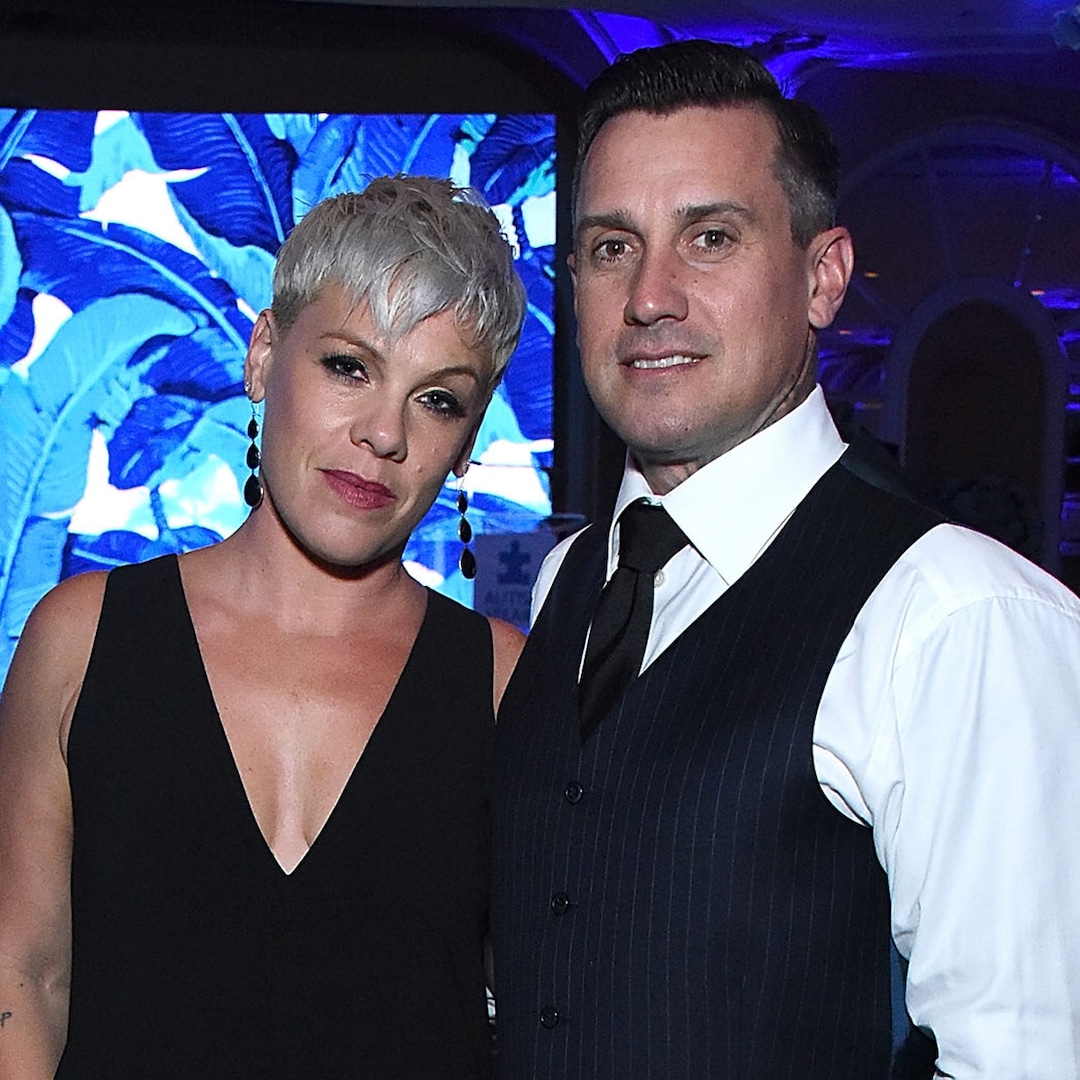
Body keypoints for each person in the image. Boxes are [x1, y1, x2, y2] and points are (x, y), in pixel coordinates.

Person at [491, 40, 1080, 1080]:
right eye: (612, 247)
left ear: (822, 277)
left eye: (710, 238)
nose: (651, 296)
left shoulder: (954, 613)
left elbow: (1019, 1059)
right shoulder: (569, 577)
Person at [0, 175, 526, 1079]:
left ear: (468, 441)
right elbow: (24, 976)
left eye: (438, 399)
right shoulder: (81, 641)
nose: (384, 434)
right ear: (263, 355)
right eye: (349, 367)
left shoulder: (507, 685)